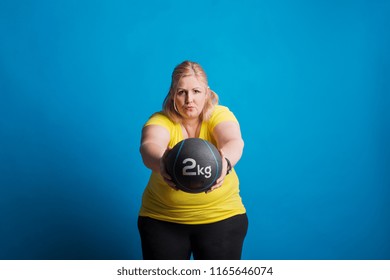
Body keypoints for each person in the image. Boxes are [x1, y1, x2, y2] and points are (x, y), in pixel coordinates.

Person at [138, 60, 247, 260]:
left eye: (196, 91)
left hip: (222, 217)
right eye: (182, 92)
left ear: (207, 93)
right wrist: (162, 162)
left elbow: (234, 141)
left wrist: (225, 163)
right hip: (162, 220)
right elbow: (149, 147)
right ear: (173, 94)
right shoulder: (160, 120)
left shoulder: (219, 114)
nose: (189, 99)